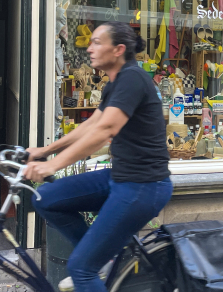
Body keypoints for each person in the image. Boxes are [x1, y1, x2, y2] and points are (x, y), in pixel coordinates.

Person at [24, 21, 172, 292]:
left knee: (80, 268)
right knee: (47, 199)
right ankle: (103, 258)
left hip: (144, 186)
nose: (89, 48)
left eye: (96, 42)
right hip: (121, 177)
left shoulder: (132, 78)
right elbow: (91, 125)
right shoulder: (113, 85)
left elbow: (106, 129)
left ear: (118, 50)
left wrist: (52, 166)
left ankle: (92, 264)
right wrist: (45, 151)